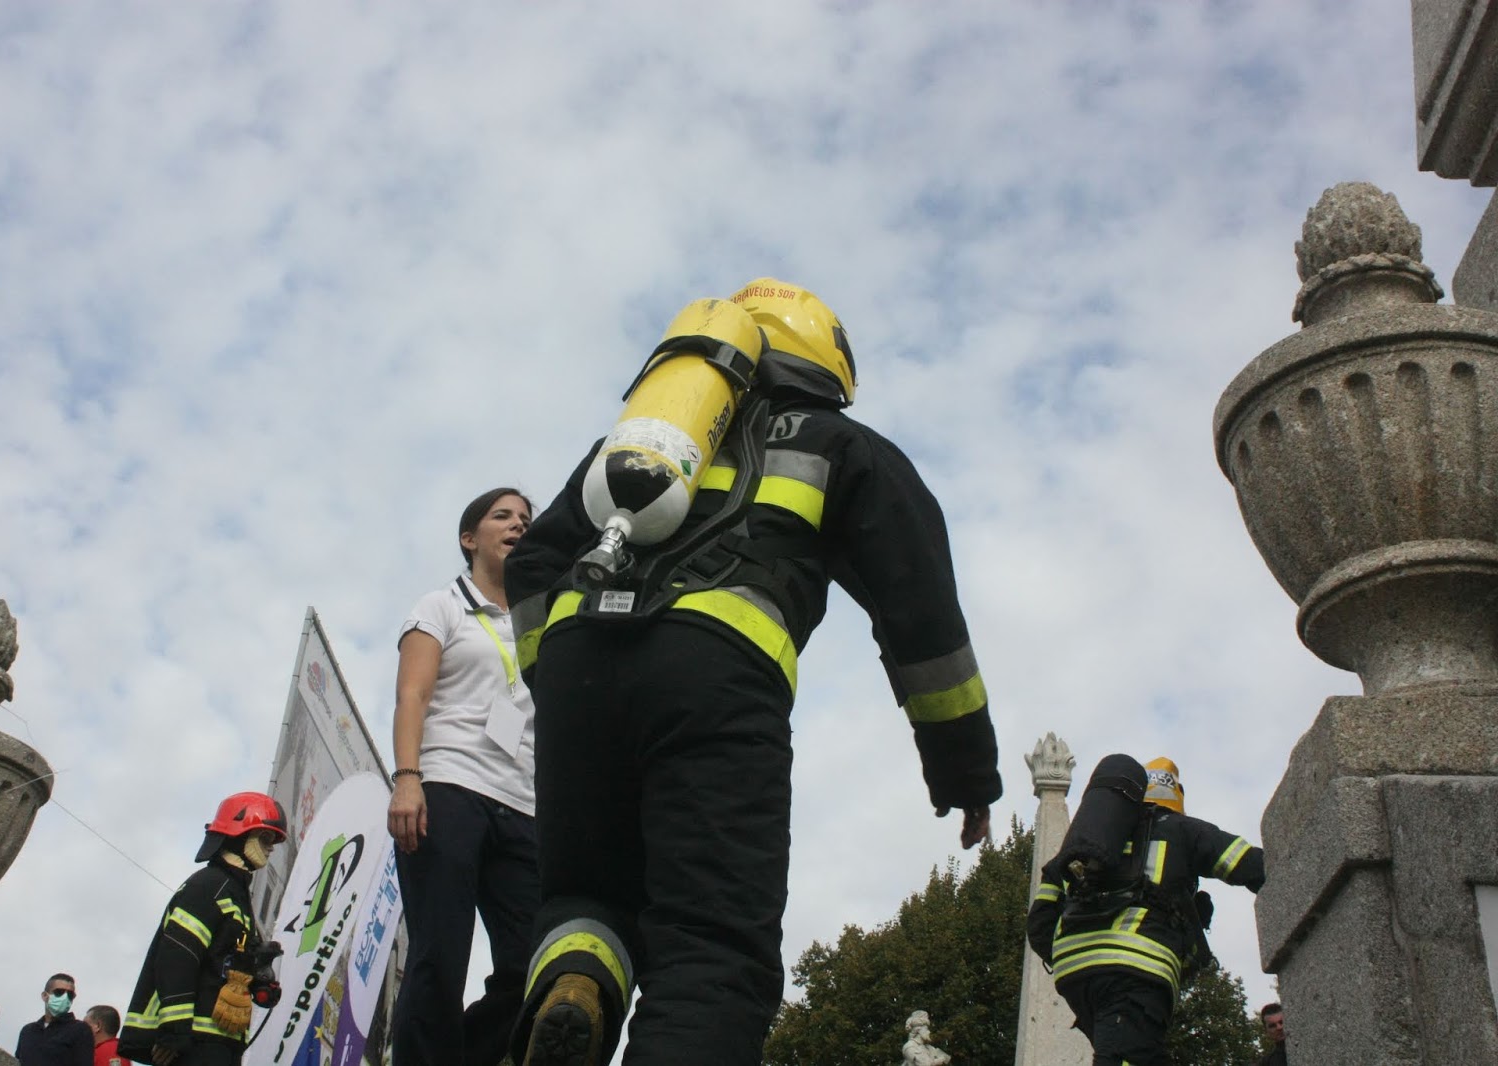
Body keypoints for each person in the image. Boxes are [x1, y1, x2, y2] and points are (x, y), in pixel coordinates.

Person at [505, 279, 1002, 1066]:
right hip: (716, 674)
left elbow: (533, 561)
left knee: (584, 895)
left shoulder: (638, 446)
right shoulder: (843, 445)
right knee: (713, 943)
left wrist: (559, 681)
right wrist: (964, 771)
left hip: (578, 669)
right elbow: (920, 614)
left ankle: (579, 981)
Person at [387, 487, 541, 1066]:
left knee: (536, 967)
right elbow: (413, 695)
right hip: (448, 788)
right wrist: (408, 777)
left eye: (526, 519)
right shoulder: (441, 605)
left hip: (522, 805)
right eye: (503, 516)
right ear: (469, 538)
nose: (518, 525)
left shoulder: (540, 620)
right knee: (439, 958)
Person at [1027, 756, 1265, 1066]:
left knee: (1135, 1051)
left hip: (1074, 974)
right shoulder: (1182, 829)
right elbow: (1246, 863)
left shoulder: (1079, 850)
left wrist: (1076, 951)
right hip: (1134, 969)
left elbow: (1039, 925)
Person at [117, 792, 287, 1066]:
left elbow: (222, 961)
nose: (270, 849)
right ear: (239, 833)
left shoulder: (237, 895)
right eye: (266, 838)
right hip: (194, 1042)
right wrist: (174, 1030)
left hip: (224, 1040)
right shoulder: (208, 886)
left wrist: (258, 978)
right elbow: (178, 956)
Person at [16, 973, 94, 1066]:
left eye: (70, 995)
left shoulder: (80, 1030)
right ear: (45, 996)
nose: (65, 998)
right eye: (59, 992)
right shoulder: (28, 1031)